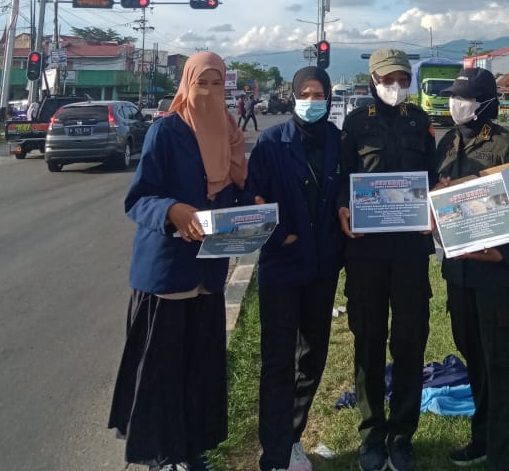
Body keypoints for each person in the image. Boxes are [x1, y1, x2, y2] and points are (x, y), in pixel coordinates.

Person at [109, 51, 248, 471]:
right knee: (163, 370)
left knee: (199, 367)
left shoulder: (230, 133)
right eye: (201, 83)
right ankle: (160, 454)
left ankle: (192, 450)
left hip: (208, 273)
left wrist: (252, 210)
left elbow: (236, 196)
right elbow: (139, 199)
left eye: (217, 84)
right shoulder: (165, 132)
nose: (208, 93)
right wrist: (172, 210)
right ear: (186, 85)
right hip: (167, 273)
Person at [433, 68, 509, 471]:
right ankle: (482, 438)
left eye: (465, 98)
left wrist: (503, 253)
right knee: (474, 358)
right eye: (454, 97)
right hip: (460, 277)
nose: (456, 104)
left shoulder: (507, 148)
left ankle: (506, 457)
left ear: (486, 104)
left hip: (499, 281)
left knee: (501, 368)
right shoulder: (446, 143)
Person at [338, 48, 436, 471]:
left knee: (411, 340)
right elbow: (341, 180)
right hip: (367, 255)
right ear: (373, 79)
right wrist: (344, 208)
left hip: (412, 253)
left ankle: (402, 434)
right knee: (369, 340)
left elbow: (435, 177)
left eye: (402, 79)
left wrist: (437, 206)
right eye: (388, 79)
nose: (395, 86)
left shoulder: (420, 123)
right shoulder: (356, 124)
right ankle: (372, 433)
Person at [246, 66, 345, 471]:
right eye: (304, 92)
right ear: (292, 96)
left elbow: (349, 189)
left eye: (319, 92)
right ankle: (273, 453)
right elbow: (252, 198)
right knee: (277, 360)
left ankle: (291, 437)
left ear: (328, 96)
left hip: (323, 269)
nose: (312, 99)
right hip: (282, 268)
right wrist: (280, 233)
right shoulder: (271, 142)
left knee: (314, 356)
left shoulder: (339, 141)